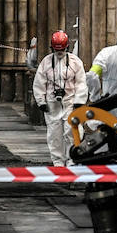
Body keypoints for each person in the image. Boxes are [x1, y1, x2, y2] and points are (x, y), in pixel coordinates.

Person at [32, 30, 87, 166]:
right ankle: (57, 162)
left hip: (70, 102)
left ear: (67, 47)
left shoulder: (75, 62)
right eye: (57, 50)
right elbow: (39, 83)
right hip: (52, 104)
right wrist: (41, 102)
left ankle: (72, 159)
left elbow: (81, 82)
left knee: (72, 132)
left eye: (62, 49)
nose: (60, 53)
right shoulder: (46, 62)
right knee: (54, 134)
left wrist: (79, 101)